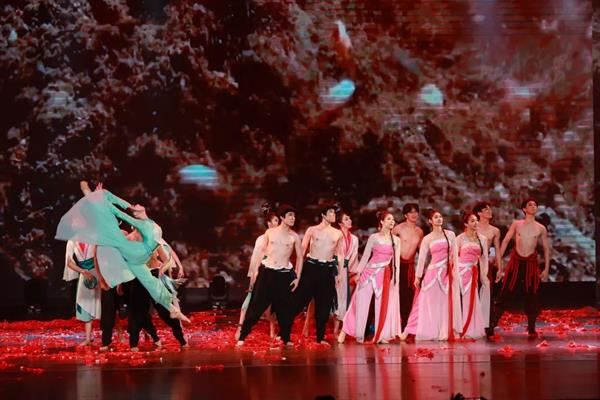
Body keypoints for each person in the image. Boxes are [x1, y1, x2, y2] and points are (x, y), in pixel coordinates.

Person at [55, 181, 189, 322]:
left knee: (152, 285)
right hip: (134, 254)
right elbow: (119, 212)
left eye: (137, 206)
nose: (137, 205)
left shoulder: (150, 225)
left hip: (140, 255)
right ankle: (169, 309)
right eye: (136, 206)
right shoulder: (139, 225)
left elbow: (165, 248)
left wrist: (165, 266)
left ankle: (172, 309)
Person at [237, 205, 302, 347]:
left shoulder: (294, 237)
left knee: (285, 309)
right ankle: (242, 336)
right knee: (256, 306)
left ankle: (286, 337)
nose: (293, 218)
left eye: (294, 216)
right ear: (282, 218)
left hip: (284, 275)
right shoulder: (270, 233)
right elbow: (261, 253)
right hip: (267, 273)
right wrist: (255, 272)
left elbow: (300, 257)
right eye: (290, 215)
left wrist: (297, 277)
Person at [488, 198, 551, 338]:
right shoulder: (517, 224)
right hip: (516, 262)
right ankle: (492, 325)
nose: (533, 206)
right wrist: (499, 260)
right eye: (530, 204)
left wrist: (546, 268)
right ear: (524, 209)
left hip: (531, 264)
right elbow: (505, 241)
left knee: (532, 295)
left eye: (535, 204)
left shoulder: (541, 228)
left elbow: (546, 249)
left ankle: (532, 327)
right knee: (505, 294)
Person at [339, 211, 402, 344]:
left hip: (384, 275)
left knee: (382, 305)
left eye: (393, 219)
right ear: (382, 222)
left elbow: (396, 263)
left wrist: (396, 279)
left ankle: (381, 335)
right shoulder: (374, 237)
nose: (392, 221)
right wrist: (358, 273)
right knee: (359, 302)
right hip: (368, 273)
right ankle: (349, 331)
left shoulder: (396, 240)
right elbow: (366, 257)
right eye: (389, 219)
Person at [401, 209, 461, 341]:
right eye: (435, 217)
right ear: (430, 221)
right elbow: (422, 258)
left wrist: (456, 273)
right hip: (432, 274)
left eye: (440, 217)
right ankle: (408, 330)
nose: (439, 219)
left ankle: (442, 331)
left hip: (446, 274)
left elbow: (455, 256)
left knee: (444, 304)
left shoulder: (450, 234)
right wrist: (418, 276)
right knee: (422, 302)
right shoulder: (427, 238)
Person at [292, 203, 344, 344]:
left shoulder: (338, 233)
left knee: (324, 306)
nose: (334, 215)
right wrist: (297, 272)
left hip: (327, 270)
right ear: (323, 215)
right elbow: (302, 252)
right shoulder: (312, 230)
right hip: (311, 268)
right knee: (298, 302)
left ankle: (320, 337)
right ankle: (283, 332)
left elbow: (340, 255)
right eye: (331, 212)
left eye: (334, 212)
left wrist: (339, 274)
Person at [235, 204, 279, 341]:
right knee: (249, 302)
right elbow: (256, 260)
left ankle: (273, 331)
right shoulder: (262, 239)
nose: (278, 223)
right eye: (276, 220)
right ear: (269, 223)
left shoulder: (280, 238)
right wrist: (253, 278)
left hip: (275, 273)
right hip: (262, 272)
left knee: (272, 305)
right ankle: (240, 329)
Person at [456, 212, 490, 339]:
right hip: (461, 272)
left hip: (473, 271)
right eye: (472, 221)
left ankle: (471, 328)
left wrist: (484, 275)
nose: (475, 223)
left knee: (472, 299)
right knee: (463, 300)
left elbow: (484, 259)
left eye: (476, 220)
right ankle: (462, 328)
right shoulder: (460, 238)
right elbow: (453, 257)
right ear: (466, 224)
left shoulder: (482, 239)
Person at [391, 203, 424, 331]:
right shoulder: (398, 229)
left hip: (409, 267)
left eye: (416, 211)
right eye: (411, 212)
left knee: (408, 296)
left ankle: (405, 326)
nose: (414, 214)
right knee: (394, 294)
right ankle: (392, 324)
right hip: (396, 265)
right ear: (405, 215)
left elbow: (422, 253)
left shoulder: (419, 231)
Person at [63, 240, 102, 346]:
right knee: (85, 305)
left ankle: (119, 335)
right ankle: (88, 338)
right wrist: (82, 271)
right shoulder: (72, 241)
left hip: (98, 272)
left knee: (106, 304)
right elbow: (69, 262)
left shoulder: (93, 237)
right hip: (84, 275)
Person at [473, 201, 503, 325]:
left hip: (486, 264)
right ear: (479, 213)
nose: (489, 211)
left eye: (490, 209)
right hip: (472, 263)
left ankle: (486, 323)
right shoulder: (473, 227)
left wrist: (500, 268)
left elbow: (497, 250)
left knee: (487, 292)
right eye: (486, 209)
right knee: (472, 292)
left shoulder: (495, 231)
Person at [333, 210, 359, 336]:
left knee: (342, 299)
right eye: (346, 219)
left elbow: (354, 257)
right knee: (334, 297)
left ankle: (338, 329)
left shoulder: (354, 239)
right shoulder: (335, 235)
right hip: (334, 268)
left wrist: (351, 271)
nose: (350, 221)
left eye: (349, 218)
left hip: (345, 269)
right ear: (340, 223)